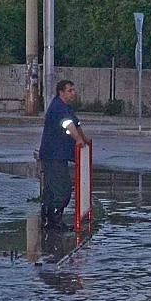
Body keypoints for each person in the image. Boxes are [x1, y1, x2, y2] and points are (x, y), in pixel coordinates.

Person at [38, 79, 89, 230]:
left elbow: (76, 124)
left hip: (56, 155)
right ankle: (54, 221)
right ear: (61, 92)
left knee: (51, 189)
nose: (73, 93)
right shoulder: (59, 108)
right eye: (70, 90)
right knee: (63, 189)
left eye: (73, 90)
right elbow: (68, 124)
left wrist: (83, 138)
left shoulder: (64, 106)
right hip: (54, 156)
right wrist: (79, 139)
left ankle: (48, 220)